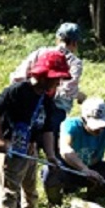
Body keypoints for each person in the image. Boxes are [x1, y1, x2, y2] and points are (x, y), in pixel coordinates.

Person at [0, 50, 71, 208]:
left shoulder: (46, 98)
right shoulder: (17, 91)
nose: (58, 83)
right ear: (44, 75)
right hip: (13, 146)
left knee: (30, 187)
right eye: (56, 78)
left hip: (31, 147)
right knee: (9, 190)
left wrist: (51, 155)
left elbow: (48, 128)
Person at [10, 22, 86, 151]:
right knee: (51, 144)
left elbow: (18, 77)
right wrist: (80, 95)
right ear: (75, 43)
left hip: (28, 102)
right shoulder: (75, 62)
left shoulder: (40, 52)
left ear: (57, 39)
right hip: (55, 109)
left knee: (22, 142)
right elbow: (67, 91)